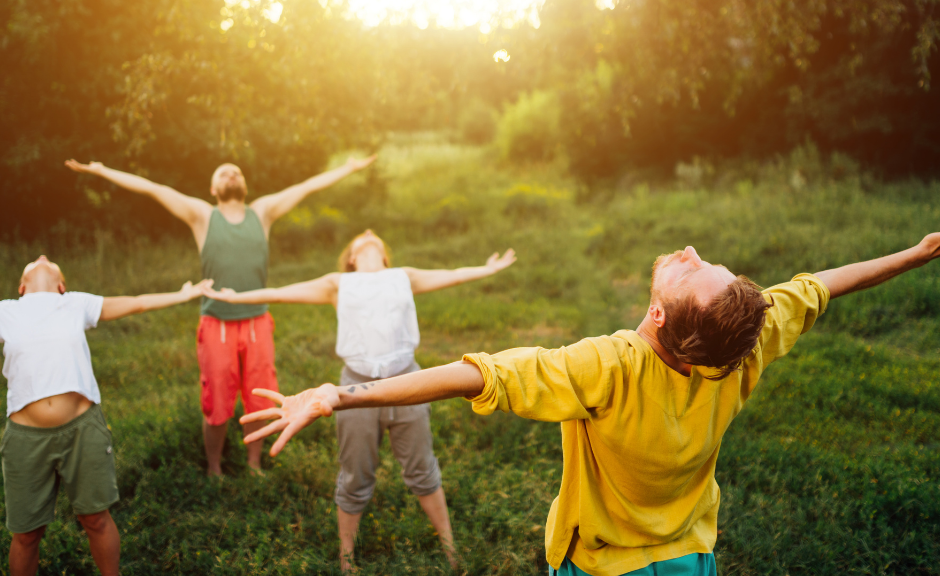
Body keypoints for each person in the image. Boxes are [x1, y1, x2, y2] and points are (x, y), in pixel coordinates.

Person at [236, 232, 940, 576]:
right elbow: (820, 286)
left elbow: (471, 376)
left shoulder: (610, 366)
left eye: (694, 270)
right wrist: (913, 254)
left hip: (601, 567)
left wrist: (337, 394)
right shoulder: (744, 344)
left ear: (661, 320)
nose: (692, 250)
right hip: (692, 561)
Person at [204, 229, 517, 571]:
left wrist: (487, 270)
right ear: (351, 258)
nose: (368, 234)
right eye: (361, 238)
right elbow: (280, 293)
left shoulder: (403, 277)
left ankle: (451, 550)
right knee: (355, 474)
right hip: (354, 387)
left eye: (375, 237)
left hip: (408, 381)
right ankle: (346, 559)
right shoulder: (339, 283)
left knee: (422, 468)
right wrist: (234, 299)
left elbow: (453, 275)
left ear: (385, 255)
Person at [65, 155, 375, 476]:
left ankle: (253, 464)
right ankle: (214, 468)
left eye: (236, 171)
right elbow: (154, 189)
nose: (231, 174)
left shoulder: (263, 212)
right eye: (223, 173)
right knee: (217, 402)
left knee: (261, 397)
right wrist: (102, 170)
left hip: (257, 322)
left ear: (244, 185)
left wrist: (348, 168)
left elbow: (307, 187)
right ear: (213, 188)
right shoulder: (202, 215)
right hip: (217, 325)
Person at [1, 255, 211, 576]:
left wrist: (183, 295)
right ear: (21, 287)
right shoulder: (7, 311)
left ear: (61, 286)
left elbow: (138, 303)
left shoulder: (73, 304)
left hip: (82, 431)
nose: (43, 256)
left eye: (49, 260)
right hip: (25, 440)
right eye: (35, 259)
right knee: (27, 535)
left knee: (95, 519)